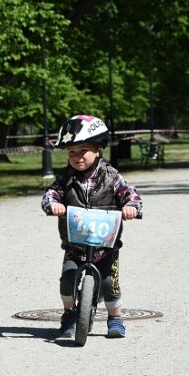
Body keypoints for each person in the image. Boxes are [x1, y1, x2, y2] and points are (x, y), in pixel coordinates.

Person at [41, 115, 143, 339]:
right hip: (75, 244)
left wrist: (131, 207)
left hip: (105, 245)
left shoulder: (112, 177)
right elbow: (51, 194)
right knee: (67, 280)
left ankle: (115, 317)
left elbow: (130, 194)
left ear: (98, 150)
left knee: (109, 283)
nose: (77, 157)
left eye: (83, 151)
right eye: (72, 152)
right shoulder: (66, 179)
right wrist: (53, 204)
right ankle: (69, 313)